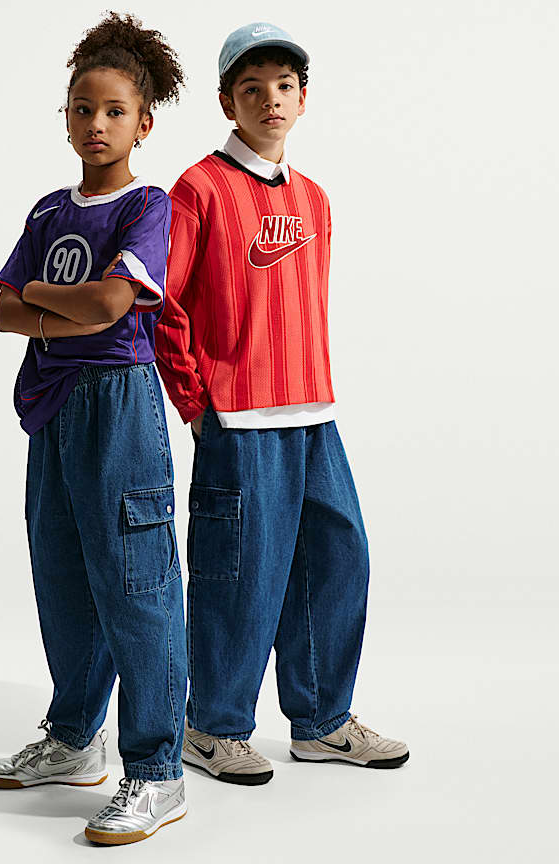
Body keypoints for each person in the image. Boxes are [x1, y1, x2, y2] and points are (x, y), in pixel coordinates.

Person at [154, 22, 409, 786]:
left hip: (314, 414)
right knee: (240, 575)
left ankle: (322, 721)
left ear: (303, 99)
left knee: (338, 558)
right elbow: (162, 303)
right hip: (239, 420)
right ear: (227, 101)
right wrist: (197, 401)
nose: (271, 98)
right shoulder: (199, 189)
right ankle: (213, 725)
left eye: (285, 86)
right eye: (252, 86)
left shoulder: (314, 198)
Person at [0, 12, 188, 844]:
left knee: (136, 582)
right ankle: (73, 739)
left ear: (143, 123)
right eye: (81, 108)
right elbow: (1, 313)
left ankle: (158, 771)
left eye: (113, 111)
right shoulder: (46, 211)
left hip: (120, 404)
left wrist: (40, 301)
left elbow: (111, 304)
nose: (96, 123)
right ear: (65, 117)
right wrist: (53, 310)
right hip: (53, 407)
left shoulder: (147, 207)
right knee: (64, 576)